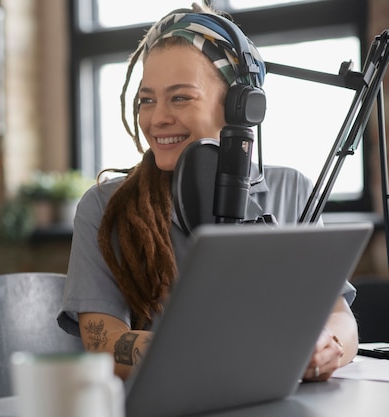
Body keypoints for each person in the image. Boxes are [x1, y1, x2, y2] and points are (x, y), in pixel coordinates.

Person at [58, 2, 358, 383]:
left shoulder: (292, 190)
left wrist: (327, 346)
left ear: (239, 107)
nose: (157, 117)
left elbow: (338, 316)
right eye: (146, 100)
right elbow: (103, 342)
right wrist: (224, 353)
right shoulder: (104, 207)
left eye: (180, 97)